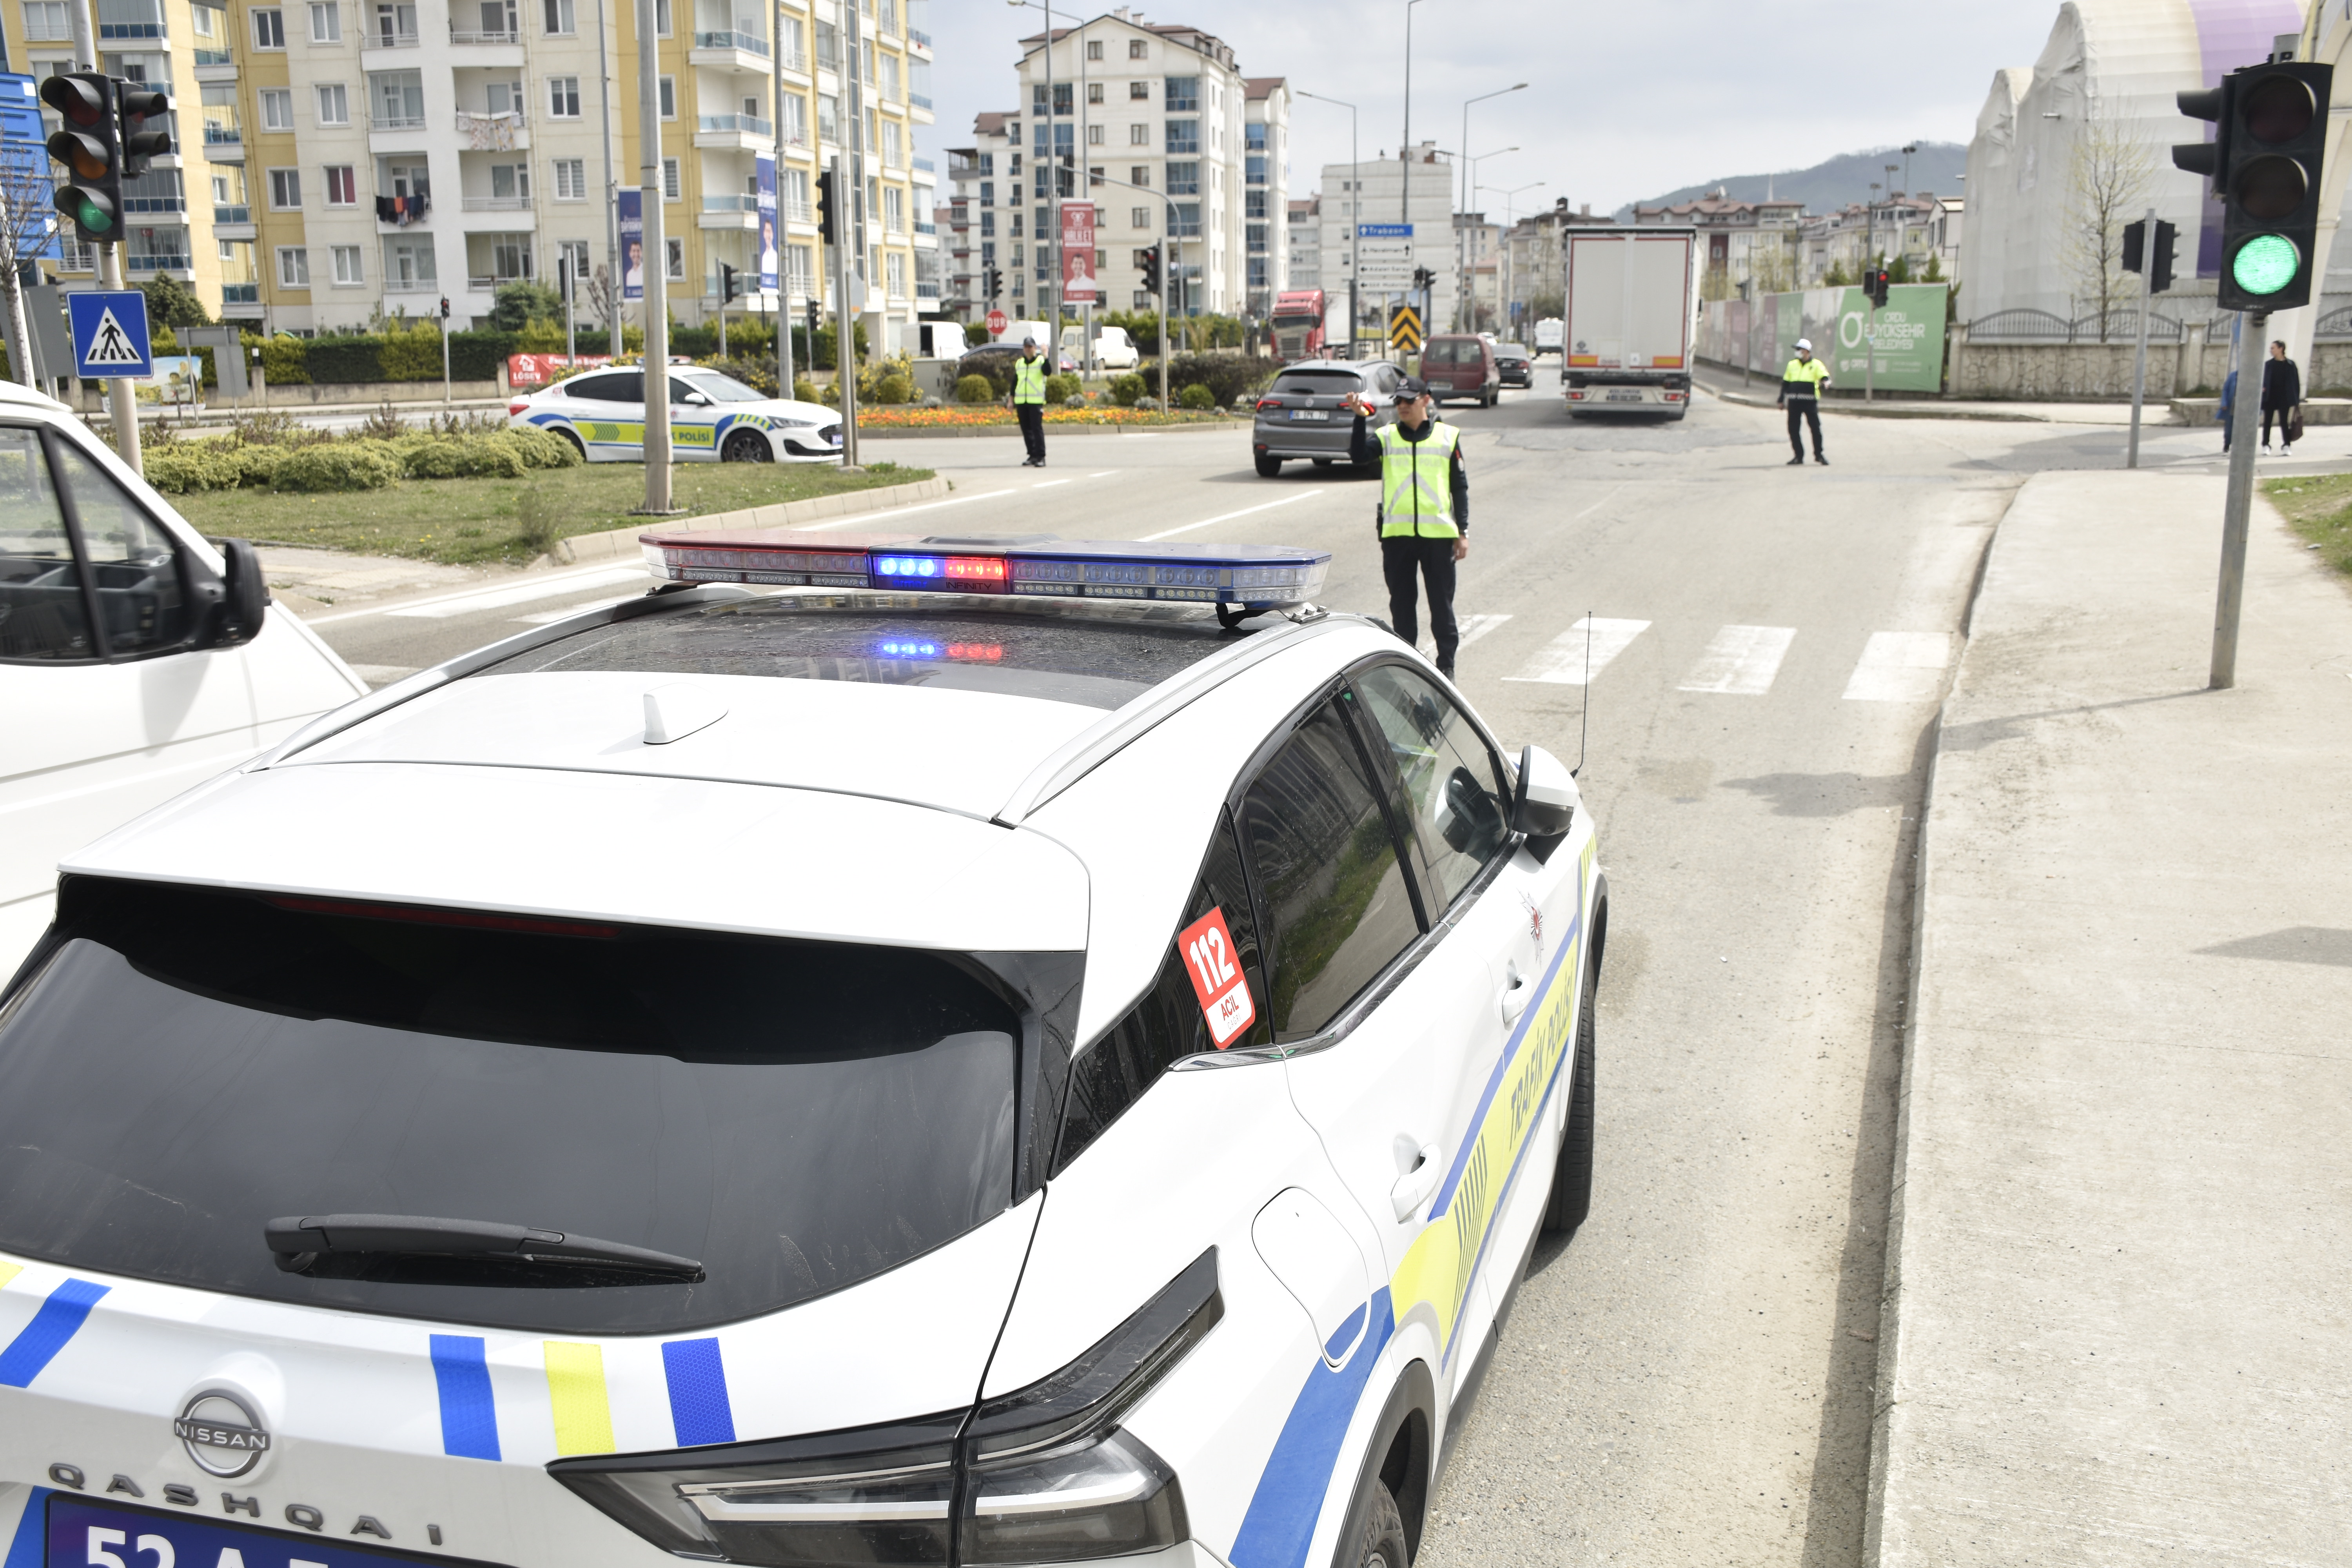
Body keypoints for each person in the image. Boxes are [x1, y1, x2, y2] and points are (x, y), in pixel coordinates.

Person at [1348, 376, 1470, 677]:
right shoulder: (1388, 436)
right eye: (1398, 401)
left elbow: (1460, 486)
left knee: (1442, 607)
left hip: (1439, 537)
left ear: (1426, 399)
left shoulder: (1447, 437)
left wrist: (1463, 531)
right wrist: (1357, 420)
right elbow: (1358, 456)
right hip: (1398, 537)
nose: (1402, 406)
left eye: (1409, 400)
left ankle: (1446, 667)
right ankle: (1408, 668)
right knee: (1402, 610)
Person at [1778, 338, 1830, 465]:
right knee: (1793, 429)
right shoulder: (1792, 365)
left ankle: (1819, 455)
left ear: (1806, 351)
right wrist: (1781, 399)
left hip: (1810, 402)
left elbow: (1824, 376)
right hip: (1794, 401)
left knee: (1815, 428)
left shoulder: (1816, 364)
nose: (1797, 352)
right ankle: (1798, 456)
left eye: (1799, 349)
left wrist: (1826, 382)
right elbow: (1786, 383)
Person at [1009, 336, 1049, 467]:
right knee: (1026, 430)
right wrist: (1011, 399)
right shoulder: (1020, 363)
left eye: (1030, 347)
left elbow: (1048, 372)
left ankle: (1041, 456)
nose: (1028, 349)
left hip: (1036, 401)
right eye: (1026, 347)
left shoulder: (1041, 361)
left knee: (1037, 429)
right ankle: (1032, 455)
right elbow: (1015, 382)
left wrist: (1046, 355)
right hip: (1022, 401)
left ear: (1035, 348)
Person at [2261, 338, 2301, 454]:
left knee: (2284, 422)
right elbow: (2263, 380)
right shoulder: (2269, 365)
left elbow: (2296, 383)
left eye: (2273, 348)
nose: (2271, 350)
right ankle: (2266, 445)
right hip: (2270, 397)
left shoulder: (2290, 365)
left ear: (2281, 349)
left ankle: (2287, 445)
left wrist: (2296, 400)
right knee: (2267, 422)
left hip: (2284, 398)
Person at [2219, 366, 2238, 453]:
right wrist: (2224, 403)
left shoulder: (2251, 377)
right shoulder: (2233, 375)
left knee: (2241, 427)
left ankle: (2238, 446)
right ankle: (2227, 444)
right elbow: (2226, 390)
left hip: (2244, 407)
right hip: (2232, 405)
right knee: (2229, 428)